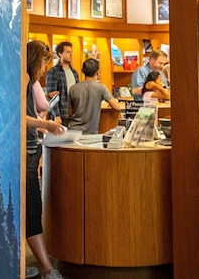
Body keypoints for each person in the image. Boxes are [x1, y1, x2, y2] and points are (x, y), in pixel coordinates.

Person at [24, 41, 67, 279]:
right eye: (43, 63)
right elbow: (21, 116)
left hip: (33, 149)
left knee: (31, 207)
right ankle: (47, 269)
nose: (44, 69)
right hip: (27, 153)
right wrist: (45, 124)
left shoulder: (30, 82)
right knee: (31, 209)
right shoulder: (24, 80)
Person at [66, 58, 119, 134]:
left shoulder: (73, 89)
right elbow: (116, 106)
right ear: (97, 72)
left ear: (82, 71)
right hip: (91, 133)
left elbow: (69, 113)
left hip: (73, 131)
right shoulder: (101, 88)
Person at [45, 41, 79, 124]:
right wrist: (56, 115)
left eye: (71, 52)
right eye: (68, 52)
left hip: (73, 114)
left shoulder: (75, 73)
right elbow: (52, 96)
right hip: (61, 114)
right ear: (60, 54)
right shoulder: (53, 72)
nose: (71, 55)